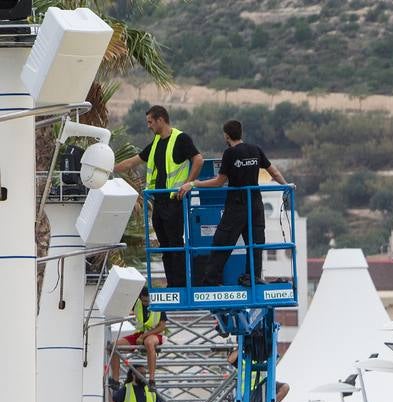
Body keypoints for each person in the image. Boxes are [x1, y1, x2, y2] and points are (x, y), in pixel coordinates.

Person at [180, 120, 287, 287]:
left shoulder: (230, 154)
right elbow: (274, 171)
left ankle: (211, 280)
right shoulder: (256, 150)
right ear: (241, 133)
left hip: (236, 205)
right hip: (255, 204)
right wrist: (287, 186)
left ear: (226, 135)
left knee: (222, 241)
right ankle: (252, 277)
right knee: (255, 242)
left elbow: (219, 182)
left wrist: (194, 184)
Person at [115, 106, 202, 289]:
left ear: (160, 120)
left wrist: (188, 183)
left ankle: (180, 284)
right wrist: (109, 168)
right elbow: (133, 161)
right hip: (159, 202)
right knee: (164, 246)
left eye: (150, 122)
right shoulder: (155, 143)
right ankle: (172, 283)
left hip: (174, 200)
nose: (148, 126)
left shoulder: (180, 139)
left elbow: (198, 159)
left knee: (175, 244)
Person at [121, 291, 166, 382]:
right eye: (144, 301)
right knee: (114, 346)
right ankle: (115, 380)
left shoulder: (158, 304)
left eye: (148, 301)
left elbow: (161, 326)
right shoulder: (137, 303)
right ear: (140, 298)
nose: (147, 303)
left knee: (149, 342)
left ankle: (152, 379)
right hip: (139, 333)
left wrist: (143, 336)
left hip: (155, 334)